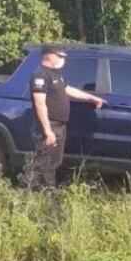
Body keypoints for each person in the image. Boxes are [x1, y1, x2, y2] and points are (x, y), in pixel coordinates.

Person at [23, 45, 107, 189]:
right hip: (49, 125)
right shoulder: (40, 75)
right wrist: (47, 130)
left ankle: (47, 189)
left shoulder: (56, 74)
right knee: (42, 161)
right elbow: (40, 103)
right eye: (60, 56)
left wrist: (91, 98)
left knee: (54, 161)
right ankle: (30, 191)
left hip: (59, 126)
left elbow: (69, 90)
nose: (62, 60)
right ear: (49, 56)